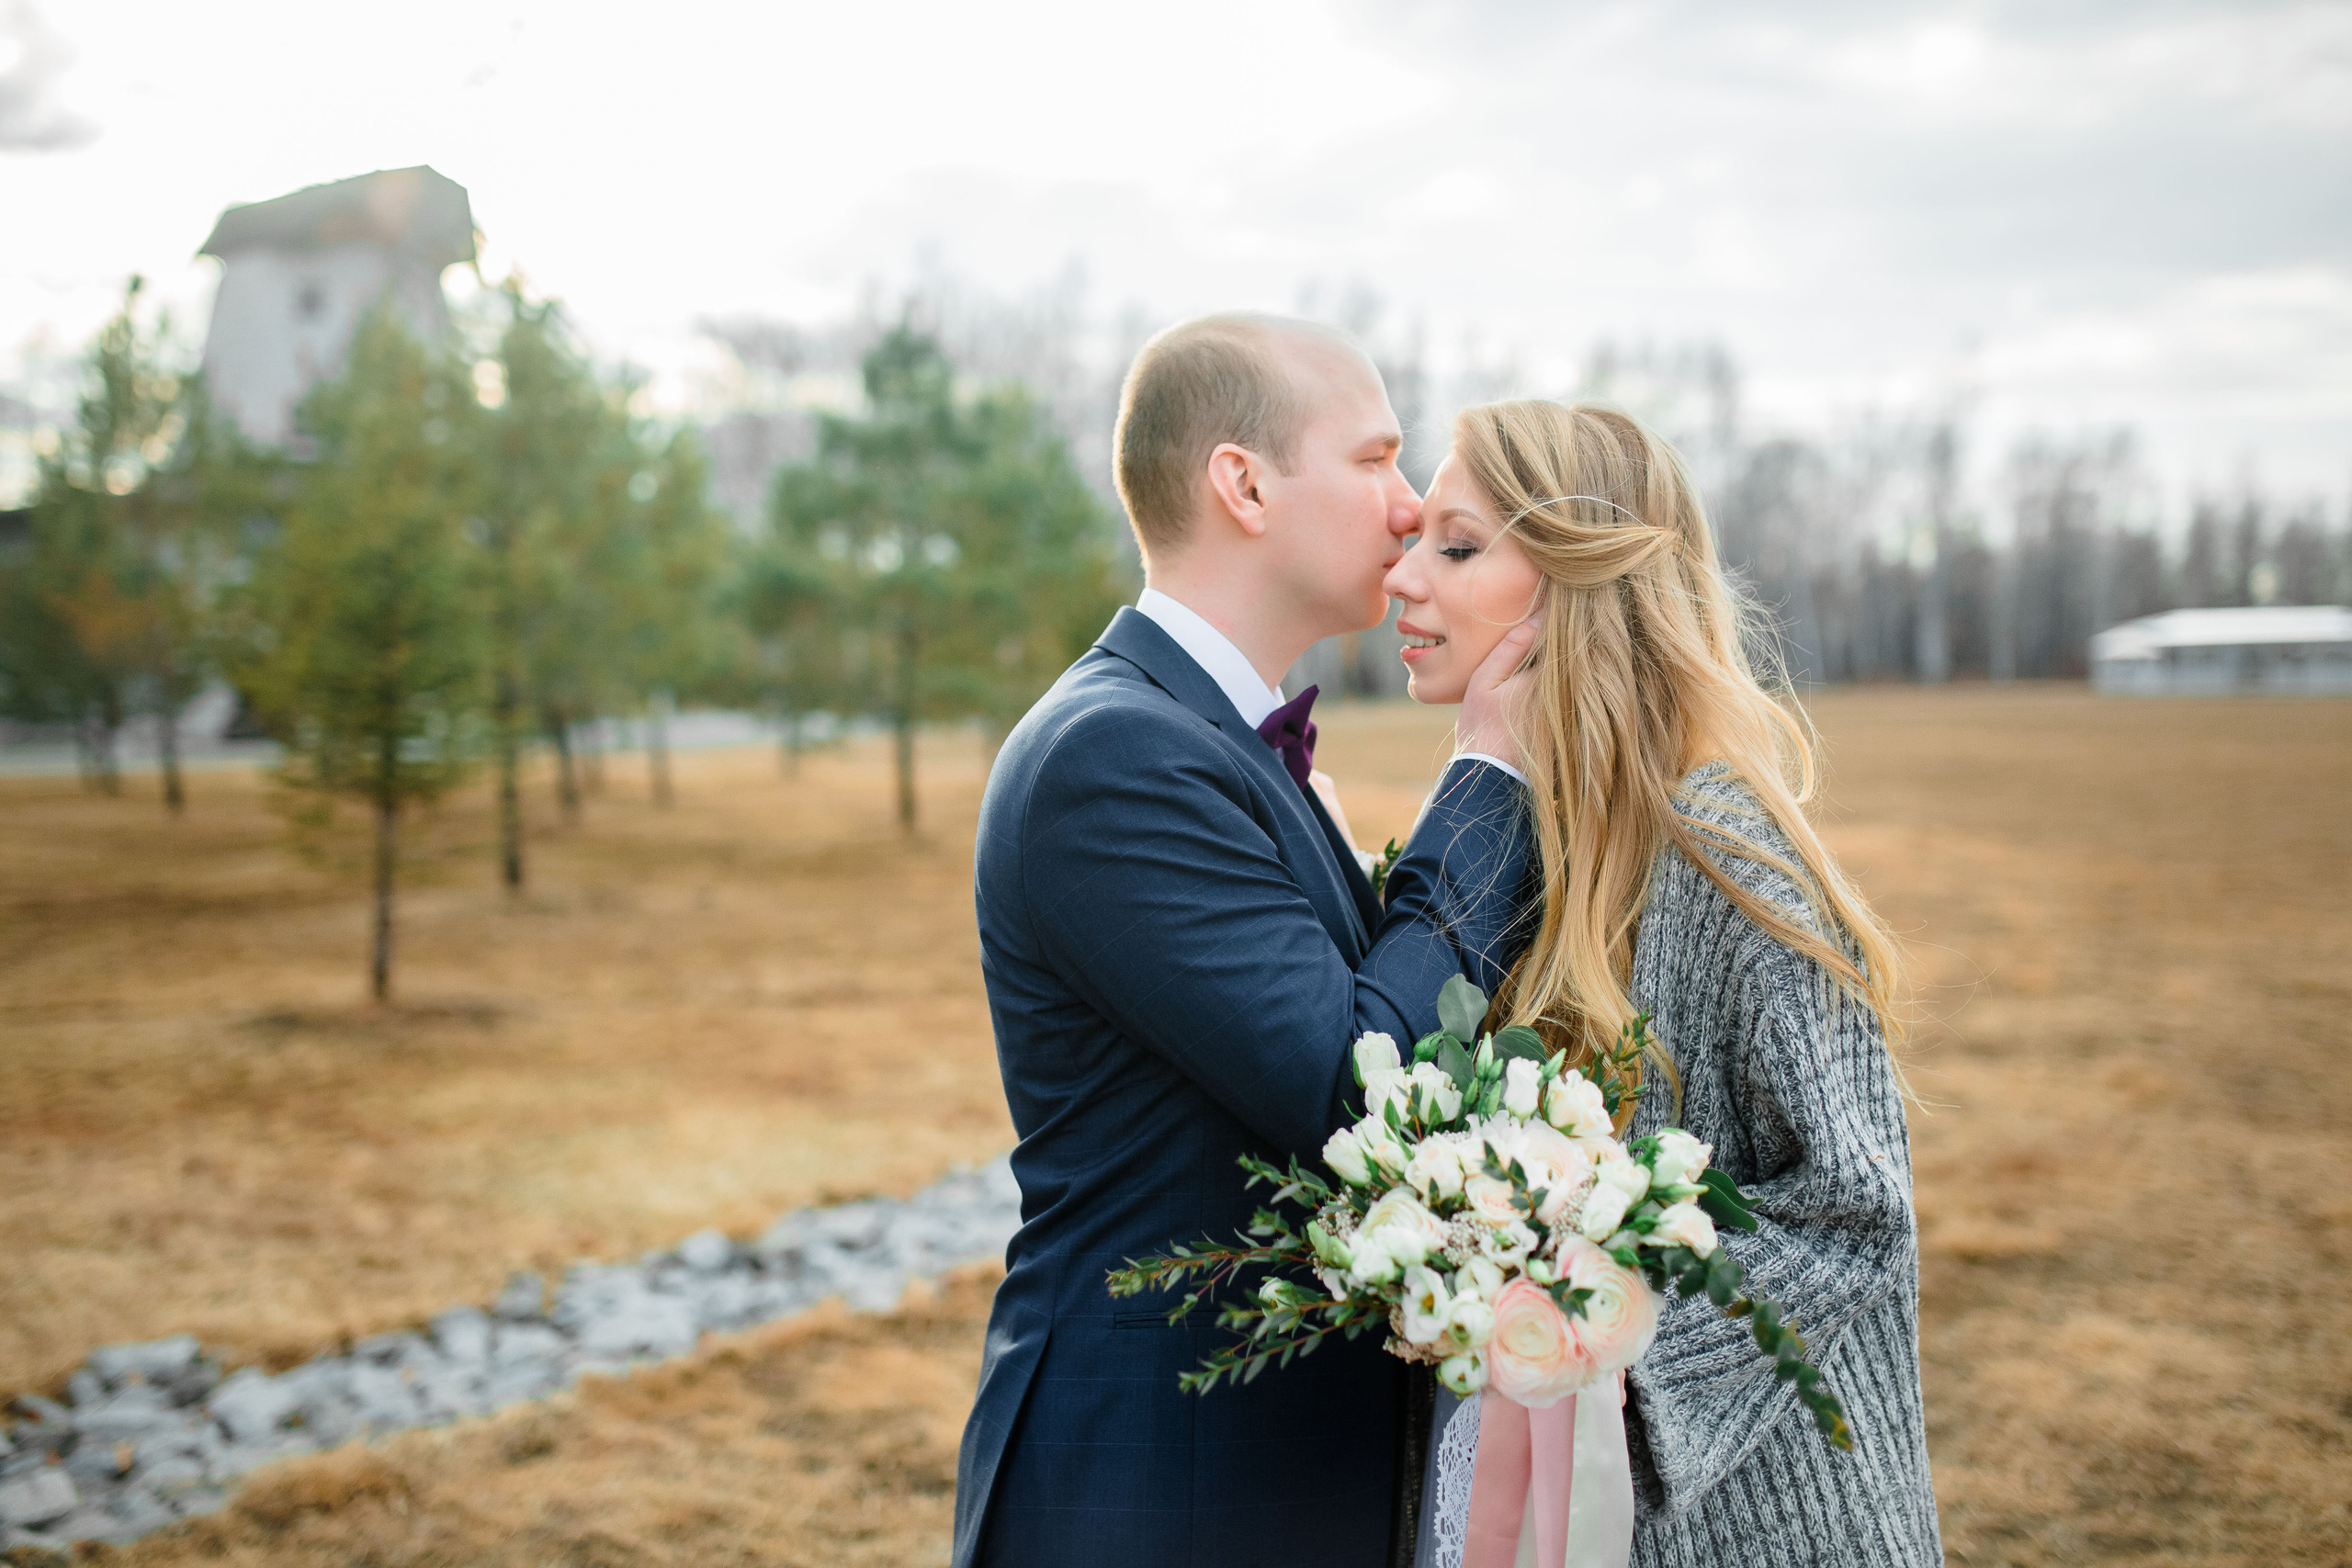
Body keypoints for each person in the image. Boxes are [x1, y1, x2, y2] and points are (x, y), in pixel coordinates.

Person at [952, 315, 1544, 1568]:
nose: (1406, 507)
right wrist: (1491, 775)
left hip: (1261, 1477)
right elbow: (1357, 1088)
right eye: (1374, 459)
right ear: (1244, 484)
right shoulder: (1114, 756)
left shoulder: (1207, 738)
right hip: (1160, 1489)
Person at [1383, 400, 1942, 1567]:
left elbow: (1855, 1210)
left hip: (1770, 1534)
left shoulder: (1726, 854)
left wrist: (1609, 1363)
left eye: (1457, 545)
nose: (1403, 578)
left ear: (1576, 581)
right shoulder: (1521, 842)